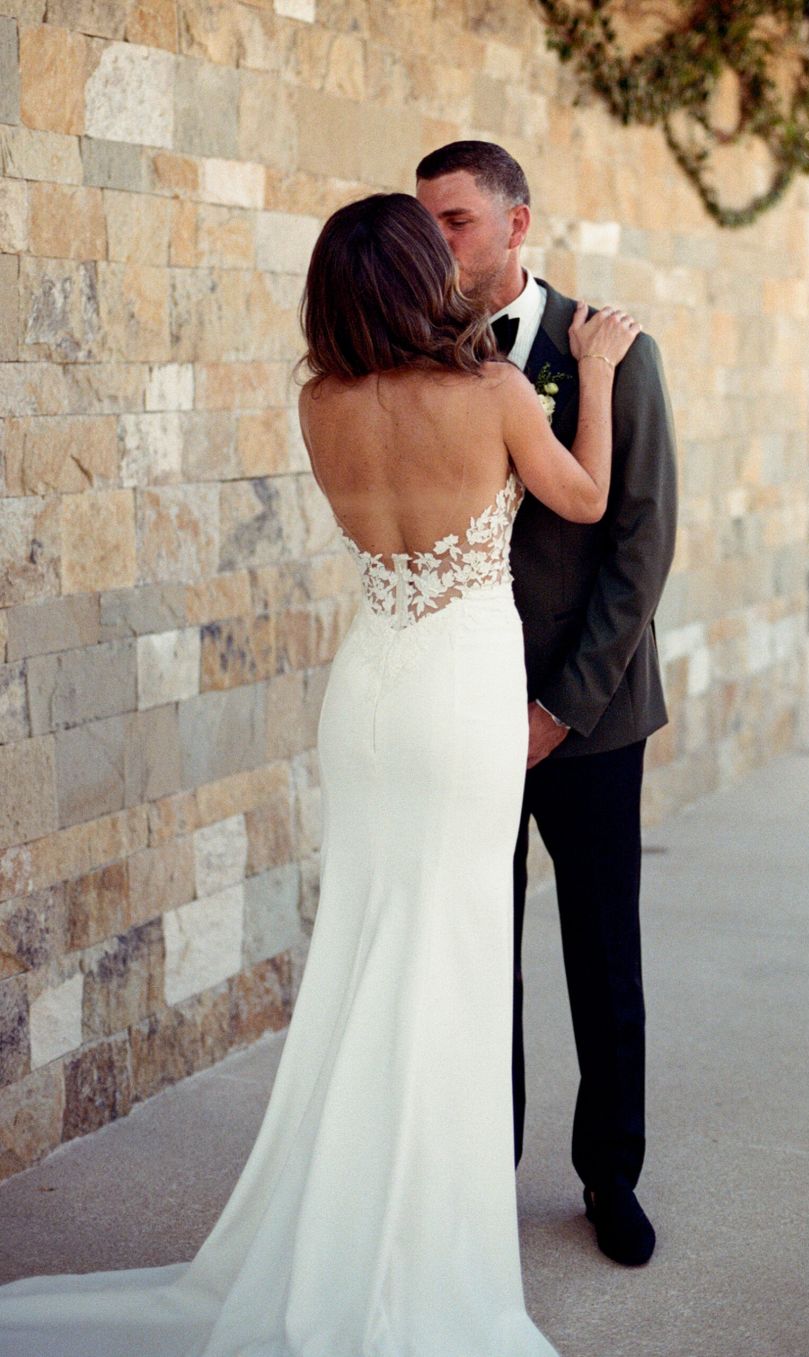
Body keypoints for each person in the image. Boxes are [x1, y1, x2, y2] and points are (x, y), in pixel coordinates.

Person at [0, 194, 639, 1355]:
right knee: (447, 958)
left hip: (371, 694)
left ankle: (348, 1220)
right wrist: (592, 370)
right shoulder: (494, 389)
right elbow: (587, 500)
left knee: (366, 951)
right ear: (415, 277)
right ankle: (413, 1254)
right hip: (459, 698)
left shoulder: (318, 403)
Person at [416, 142, 677, 1268]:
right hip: (468, 714)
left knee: (601, 954)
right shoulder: (420, 360)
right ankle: (483, 1179)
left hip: (594, 715)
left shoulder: (613, 350)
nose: (438, 242)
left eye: (457, 220)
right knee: (485, 954)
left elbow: (640, 549)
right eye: (425, 220)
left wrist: (558, 712)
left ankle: (608, 1176)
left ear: (518, 226)